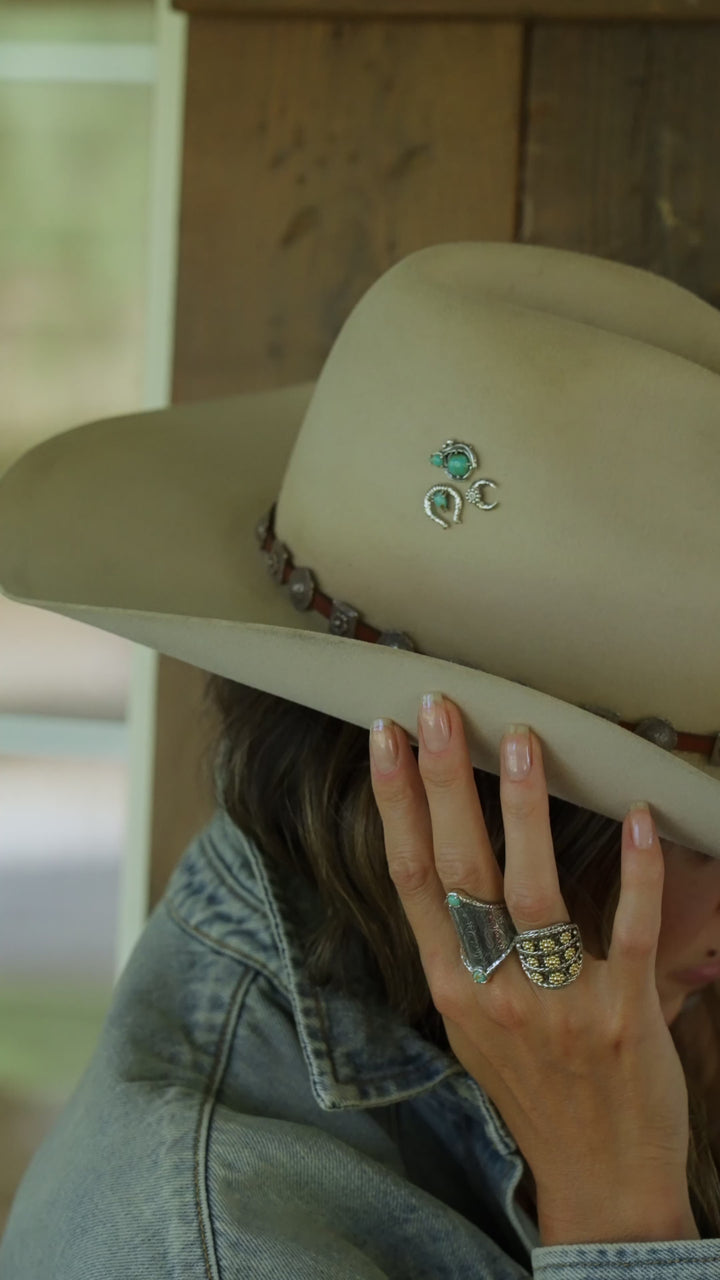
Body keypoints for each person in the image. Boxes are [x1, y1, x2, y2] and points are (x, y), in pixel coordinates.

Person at [0, 240, 719, 1277]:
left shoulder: (590, 976)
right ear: (470, 817)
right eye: (695, 834)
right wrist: (622, 1207)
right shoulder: (217, 1244)